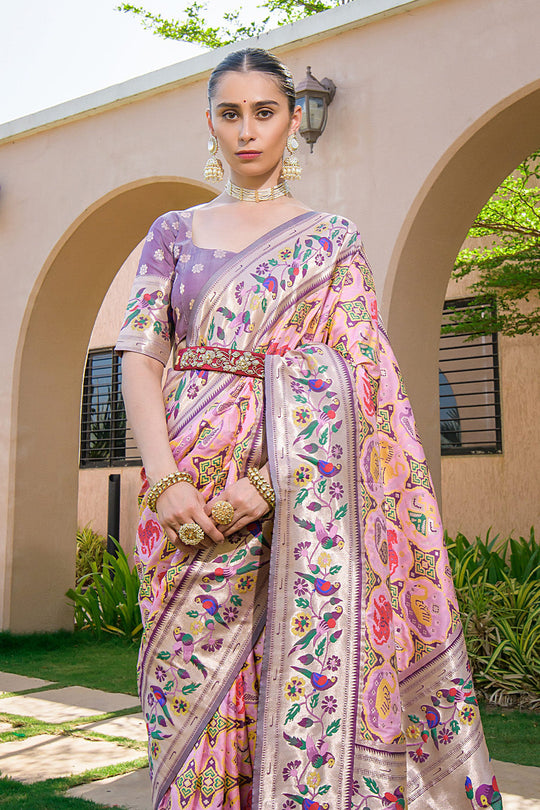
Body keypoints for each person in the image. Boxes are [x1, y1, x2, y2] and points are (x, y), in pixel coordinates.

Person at [116, 48, 499, 810]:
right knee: (182, 700)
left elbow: (363, 382)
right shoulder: (174, 231)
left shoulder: (331, 240)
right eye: (231, 114)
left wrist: (268, 484)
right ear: (211, 123)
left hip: (293, 509)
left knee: (288, 689)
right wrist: (164, 484)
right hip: (181, 493)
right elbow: (138, 358)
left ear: (293, 121)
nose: (247, 131)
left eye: (265, 112)